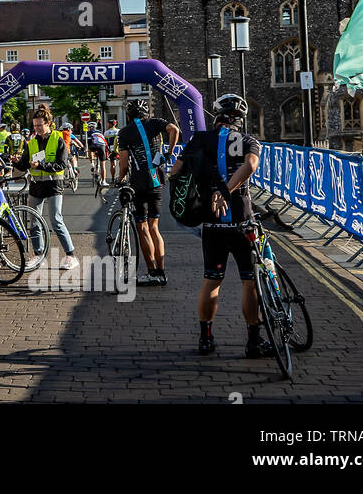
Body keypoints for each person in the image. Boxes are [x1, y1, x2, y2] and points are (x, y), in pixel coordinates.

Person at [169, 93, 270, 358]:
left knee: (211, 281)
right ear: (240, 119)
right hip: (242, 220)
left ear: (217, 116)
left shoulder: (200, 140)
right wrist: (227, 190)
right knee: (249, 281)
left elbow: (175, 172)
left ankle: (206, 338)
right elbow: (250, 165)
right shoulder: (249, 141)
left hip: (212, 224)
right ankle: (253, 341)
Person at [114, 98, 180, 286]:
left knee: (142, 228)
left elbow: (124, 164)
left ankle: (151, 273)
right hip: (157, 181)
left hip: (139, 183)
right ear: (147, 113)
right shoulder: (156, 123)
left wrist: (119, 180)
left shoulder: (125, 132)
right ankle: (161, 271)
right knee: (154, 228)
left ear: (128, 116)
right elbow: (174, 129)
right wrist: (168, 154)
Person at [12, 106, 78, 271]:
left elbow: (62, 164)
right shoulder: (32, 142)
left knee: (56, 220)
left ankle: (71, 255)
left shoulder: (58, 139)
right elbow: (24, 164)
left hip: (54, 185)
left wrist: (41, 164)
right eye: (35, 126)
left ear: (49, 123)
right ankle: (38, 254)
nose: (37, 129)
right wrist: (15, 161)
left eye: (40, 125)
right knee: (34, 221)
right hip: (36, 186)